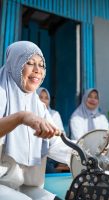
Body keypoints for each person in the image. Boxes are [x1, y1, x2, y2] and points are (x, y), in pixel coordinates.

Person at [0, 41, 72, 200]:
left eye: (41, 65)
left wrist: (87, 151)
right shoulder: (1, 93)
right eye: (30, 63)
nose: (37, 70)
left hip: (24, 186)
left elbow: (55, 144)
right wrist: (21, 117)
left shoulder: (39, 106)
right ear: (14, 65)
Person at [37, 87, 69, 173]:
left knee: (49, 166)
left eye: (46, 98)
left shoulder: (54, 114)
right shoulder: (30, 115)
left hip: (51, 151)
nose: (43, 100)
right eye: (40, 97)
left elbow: (60, 134)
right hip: (35, 152)